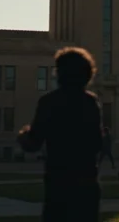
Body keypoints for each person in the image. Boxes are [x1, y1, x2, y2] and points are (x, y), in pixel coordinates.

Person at [17, 47, 103, 221]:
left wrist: (22, 135)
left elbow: (33, 143)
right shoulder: (90, 102)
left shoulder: (49, 102)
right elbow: (97, 143)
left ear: (60, 73)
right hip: (87, 184)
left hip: (59, 183)